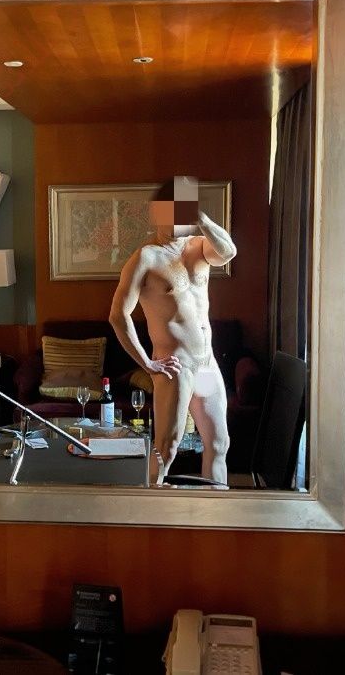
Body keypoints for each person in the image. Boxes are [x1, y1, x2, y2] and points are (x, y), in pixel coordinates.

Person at [109, 176, 236, 483]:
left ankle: (214, 508)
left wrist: (201, 218)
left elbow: (229, 252)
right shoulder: (146, 258)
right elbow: (118, 316)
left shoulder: (199, 247)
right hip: (176, 366)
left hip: (206, 363)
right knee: (167, 448)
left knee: (219, 444)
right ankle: (151, 508)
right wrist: (147, 363)